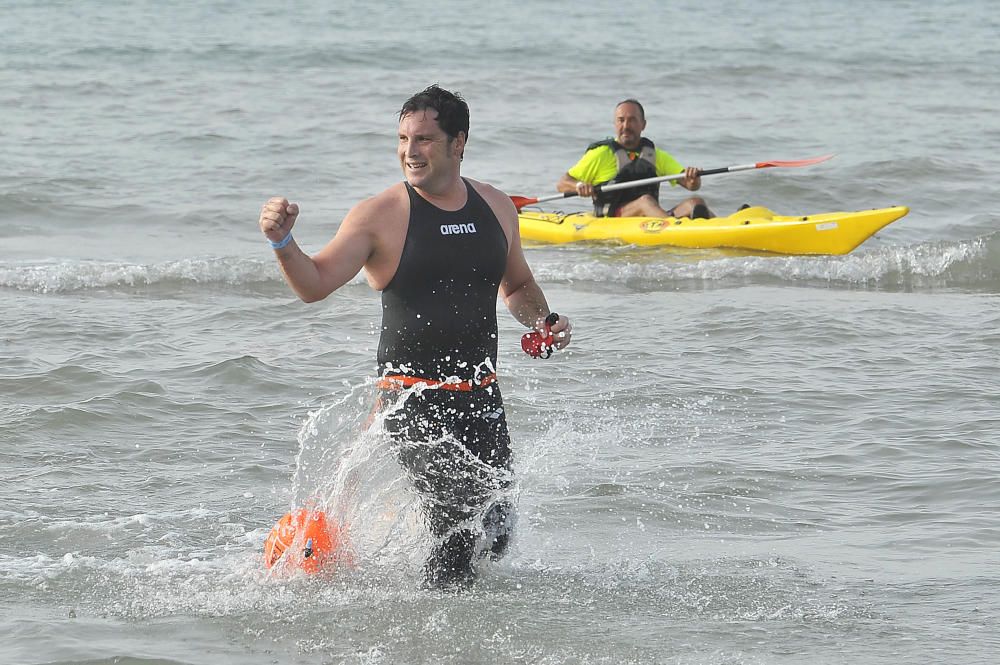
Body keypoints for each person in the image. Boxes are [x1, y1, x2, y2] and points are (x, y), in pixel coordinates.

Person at [257, 85, 572, 589]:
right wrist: (283, 243)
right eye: (403, 138)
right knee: (455, 529)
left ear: (458, 143)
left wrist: (544, 320)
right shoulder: (380, 215)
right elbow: (314, 284)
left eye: (424, 139)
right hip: (412, 399)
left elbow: (516, 285)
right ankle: (442, 635)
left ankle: (451, 617)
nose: (410, 151)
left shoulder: (495, 207)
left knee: (496, 531)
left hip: (482, 396)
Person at [556, 98, 714, 219]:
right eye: (621, 120)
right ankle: (676, 230)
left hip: (650, 219)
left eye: (632, 120)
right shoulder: (601, 154)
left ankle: (728, 225)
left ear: (643, 124)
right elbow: (562, 183)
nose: (626, 126)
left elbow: (691, 185)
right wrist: (578, 186)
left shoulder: (655, 155)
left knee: (695, 203)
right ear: (615, 124)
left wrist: (693, 178)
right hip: (614, 217)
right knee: (645, 201)